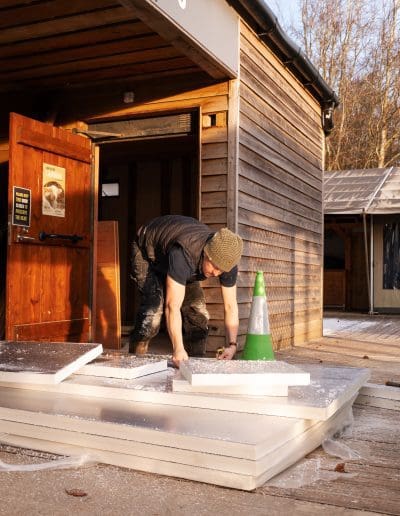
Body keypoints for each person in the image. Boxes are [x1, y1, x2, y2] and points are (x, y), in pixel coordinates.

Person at [129, 215, 243, 367]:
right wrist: (178, 348)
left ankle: (193, 368)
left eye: (221, 270)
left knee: (198, 317)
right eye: (214, 266)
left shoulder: (227, 262)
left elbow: (230, 306)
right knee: (153, 313)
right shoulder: (184, 254)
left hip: (180, 259)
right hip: (147, 252)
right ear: (206, 253)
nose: (216, 273)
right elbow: (172, 307)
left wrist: (232, 345)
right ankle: (135, 360)